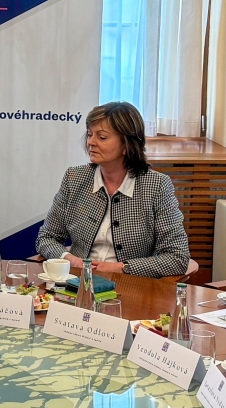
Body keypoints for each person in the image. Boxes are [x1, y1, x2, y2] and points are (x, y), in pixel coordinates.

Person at [34, 102, 195, 279]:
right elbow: (47, 237)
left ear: (127, 145)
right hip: (76, 282)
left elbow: (177, 257)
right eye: (89, 135)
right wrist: (68, 259)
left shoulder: (157, 186)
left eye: (102, 137)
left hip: (132, 286)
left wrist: (121, 268)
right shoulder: (74, 178)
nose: (91, 142)